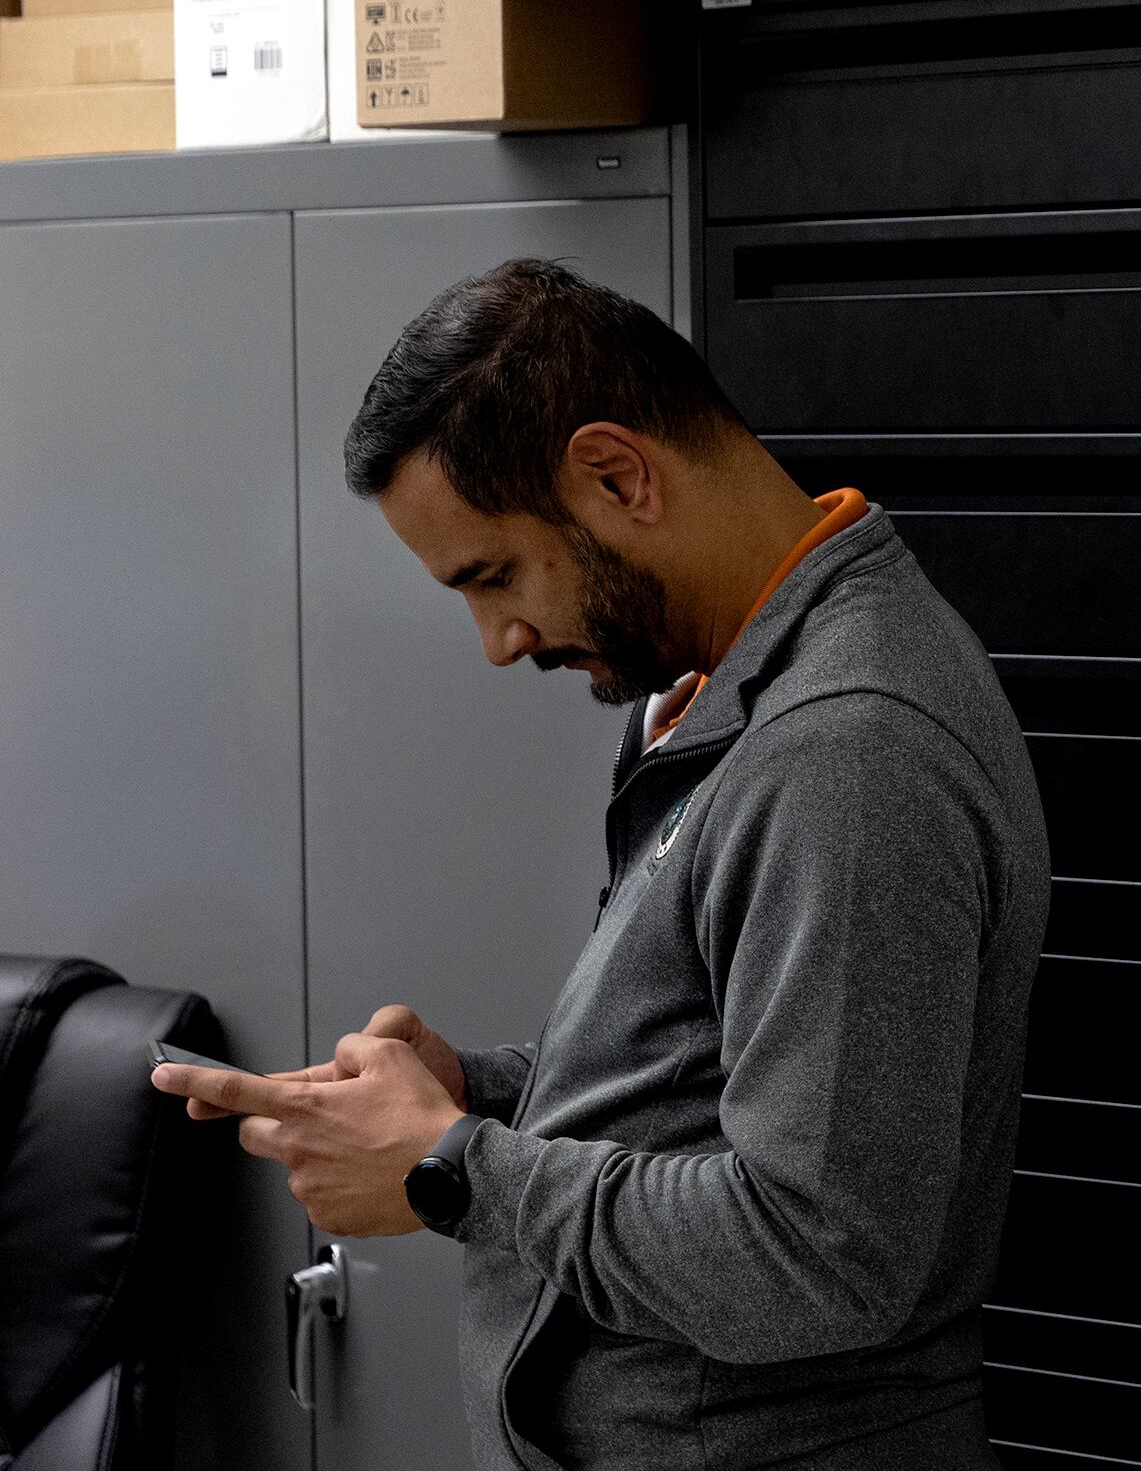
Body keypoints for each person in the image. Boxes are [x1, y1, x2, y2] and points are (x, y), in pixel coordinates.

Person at [152, 259, 1050, 1470]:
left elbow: (819, 1254)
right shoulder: (718, 693)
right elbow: (705, 1073)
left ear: (619, 474)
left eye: (495, 574)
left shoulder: (848, 749)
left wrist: (450, 1167)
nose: (498, 639)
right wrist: (474, 1090)